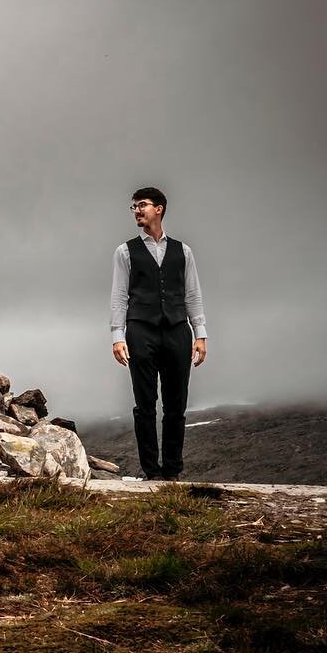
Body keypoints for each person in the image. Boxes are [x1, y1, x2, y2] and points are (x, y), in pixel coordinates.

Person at [110, 188, 207, 481]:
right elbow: (119, 296)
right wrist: (117, 335)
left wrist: (200, 333)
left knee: (176, 404)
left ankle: (173, 471)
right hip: (141, 331)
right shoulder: (125, 251)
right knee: (145, 404)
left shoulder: (183, 251)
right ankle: (151, 472)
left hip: (178, 331)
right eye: (134, 207)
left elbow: (192, 294)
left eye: (142, 205)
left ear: (159, 209)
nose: (137, 210)